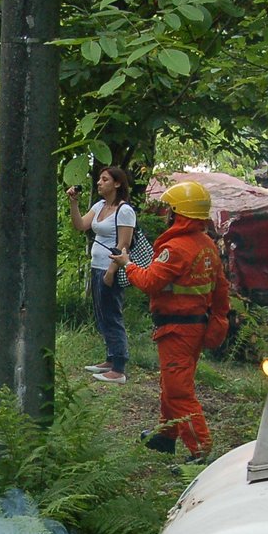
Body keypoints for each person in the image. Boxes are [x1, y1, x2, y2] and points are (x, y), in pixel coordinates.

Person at [110, 180, 229, 461]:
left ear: (178, 213)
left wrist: (127, 264)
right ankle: (166, 434)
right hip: (194, 326)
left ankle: (200, 450)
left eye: (170, 210)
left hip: (177, 328)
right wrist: (219, 320)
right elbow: (221, 288)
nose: (167, 215)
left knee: (177, 389)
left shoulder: (176, 249)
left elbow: (150, 282)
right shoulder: (207, 244)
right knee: (172, 381)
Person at [67, 166, 135, 383]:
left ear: (117, 184)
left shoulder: (124, 211)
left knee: (112, 315)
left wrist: (111, 271)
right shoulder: (99, 206)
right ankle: (110, 358)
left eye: (104, 179)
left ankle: (119, 367)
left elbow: (123, 244)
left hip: (110, 268)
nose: (99, 182)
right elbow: (80, 225)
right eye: (99, 179)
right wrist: (74, 203)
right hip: (97, 266)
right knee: (102, 314)